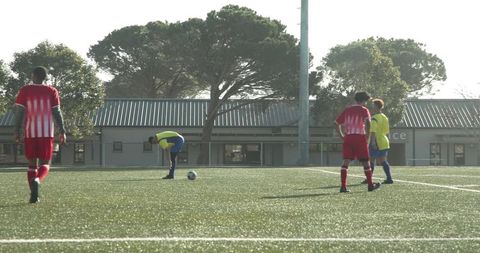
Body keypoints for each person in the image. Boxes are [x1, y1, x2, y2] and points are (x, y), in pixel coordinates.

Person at [14, 66, 66, 203]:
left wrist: (16, 131)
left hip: (30, 131)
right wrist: (62, 131)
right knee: (45, 163)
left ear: (33, 75)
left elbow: (19, 112)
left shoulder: (25, 90)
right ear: (45, 77)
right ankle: (38, 180)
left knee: (32, 164)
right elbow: (57, 112)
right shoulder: (51, 90)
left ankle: (34, 195)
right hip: (46, 131)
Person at [335, 91, 380, 192]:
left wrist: (341, 135)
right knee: (365, 162)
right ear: (364, 100)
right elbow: (368, 123)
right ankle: (370, 185)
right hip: (360, 137)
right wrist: (367, 137)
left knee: (345, 161)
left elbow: (336, 123)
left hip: (348, 137)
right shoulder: (364, 110)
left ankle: (343, 186)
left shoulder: (347, 110)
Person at [368, 99, 393, 184]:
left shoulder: (374, 118)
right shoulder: (384, 117)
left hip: (377, 141)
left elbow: (373, 131)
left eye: (373, 105)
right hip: (384, 140)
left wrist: (372, 142)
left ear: (376, 106)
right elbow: (386, 131)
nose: (371, 107)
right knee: (383, 160)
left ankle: (369, 179)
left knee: (371, 160)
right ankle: (389, 178)